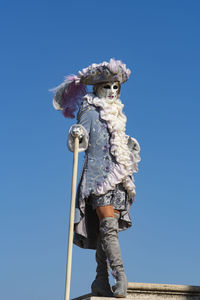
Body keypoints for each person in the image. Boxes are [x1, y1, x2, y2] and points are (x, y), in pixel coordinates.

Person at [52, 58, 141, 298]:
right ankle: (121, 277)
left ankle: (100, 280)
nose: (112, 91)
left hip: (118, 179)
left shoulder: (118, 115)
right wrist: (76, 133)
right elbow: (81, 141)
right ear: (97, 88)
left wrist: (128, 146)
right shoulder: (90, 112)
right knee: (109, 226)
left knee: (104, 231)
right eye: (106, 87)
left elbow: (115, 146)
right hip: (98, 180)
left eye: (115, 87)